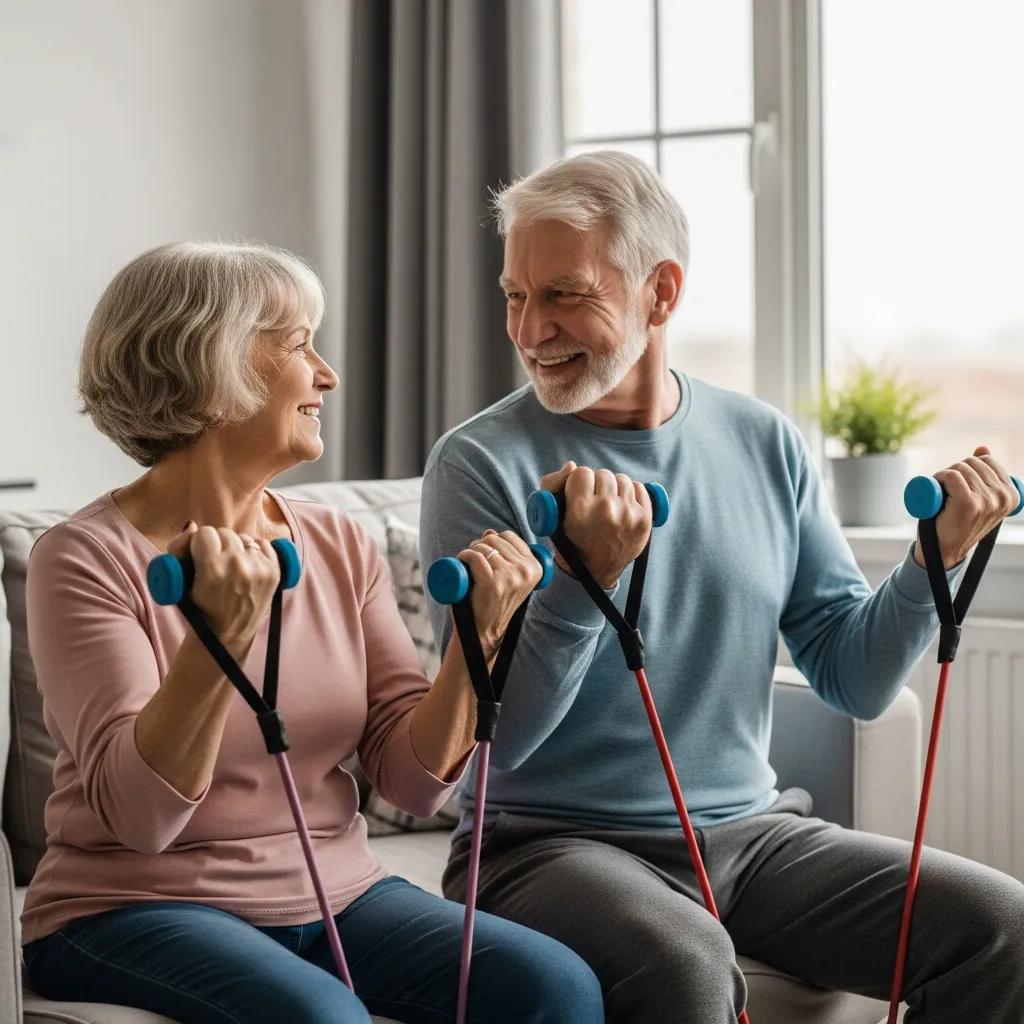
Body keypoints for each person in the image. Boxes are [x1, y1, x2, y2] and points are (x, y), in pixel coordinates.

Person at [420, 150, 1024, 1023]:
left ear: (660, 293)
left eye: (563, 294)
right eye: (516, 296)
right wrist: (582, 581)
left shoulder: (764, 442)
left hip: (752, 836)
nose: (529, 330)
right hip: (545, 849)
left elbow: (850, 677)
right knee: (684, 960)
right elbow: (500, 741)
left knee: (1000, 926)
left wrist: (936, 562)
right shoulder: (480, 462)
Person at [20, 242, 605, 1024]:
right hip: (132, 906)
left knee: (556, 987)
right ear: (211, 364)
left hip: (341, 891)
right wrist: (214, 641)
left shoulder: (335, 543)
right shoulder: (83, 558)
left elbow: (412, 780)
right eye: (298, 345)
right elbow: (140, 819)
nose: (327, 375)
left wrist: (479, 642)